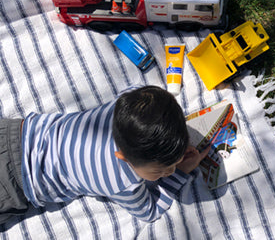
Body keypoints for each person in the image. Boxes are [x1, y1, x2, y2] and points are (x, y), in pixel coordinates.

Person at [0, 86, 209, 224]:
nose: (169, 171)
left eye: (172, 165)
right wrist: (180, 173)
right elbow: (149, 212)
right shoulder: (123, 183)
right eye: (161, 171)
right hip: (15, 183)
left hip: (14, 131)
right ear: (123, 157)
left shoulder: (127, 101)